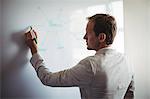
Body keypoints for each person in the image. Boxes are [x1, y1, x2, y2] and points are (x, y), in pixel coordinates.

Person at [25, 13, 134, 99]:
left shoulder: (91, 66)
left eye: (88, 33)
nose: (84, 37)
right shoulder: (126, 60)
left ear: (101, 37)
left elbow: (47, 79)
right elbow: (129, 95)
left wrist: (34, 50)